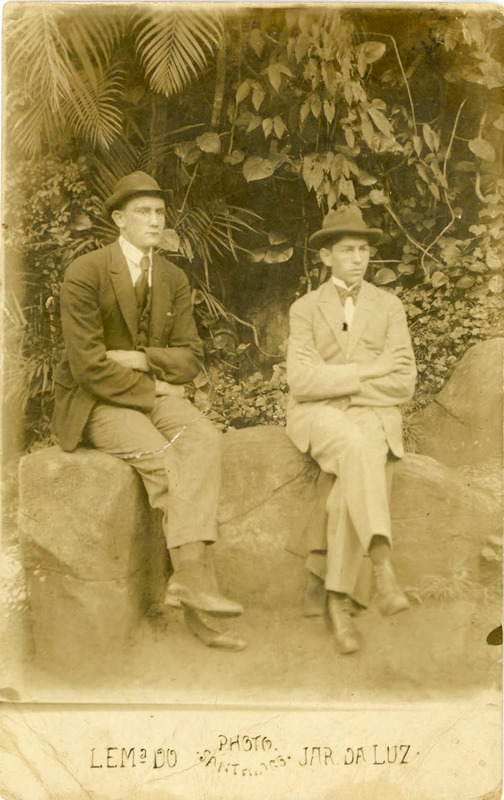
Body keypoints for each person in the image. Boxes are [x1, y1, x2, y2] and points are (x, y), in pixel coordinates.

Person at [53, 171, 244, 649]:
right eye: (143, 212)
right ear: (119, 219)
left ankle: (188, 583)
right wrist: (157, 386)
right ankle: (199, 603)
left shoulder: (174, 279)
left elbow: (190, 357)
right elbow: (88, 366)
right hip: (97, 401)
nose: (155, 220)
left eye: (160, 212)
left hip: (151, 393)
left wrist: (142, 360)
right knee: (165, 460)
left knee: (202, 439)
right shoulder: (86, 271)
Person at [285, 205, 417, 654]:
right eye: (347, 250)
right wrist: (371, 369)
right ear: (326, 256)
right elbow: (301, 382)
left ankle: (337, 600)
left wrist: (342, 383)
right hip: (317, 415)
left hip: (370, 412)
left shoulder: (389, 306)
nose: (358, 258)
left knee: (353, 463)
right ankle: (382, 565)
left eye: (363, 249)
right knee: (356, 446)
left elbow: (403, 382)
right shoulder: (305, 309)